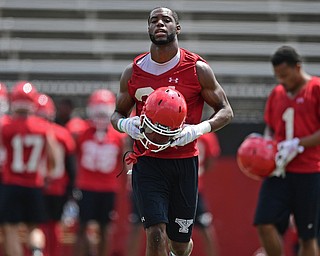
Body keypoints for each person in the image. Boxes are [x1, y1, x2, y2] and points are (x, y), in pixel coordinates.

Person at [111, 7, 233, 256]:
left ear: (177, 28)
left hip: (184, 162)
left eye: (166, 20)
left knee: (179, 242)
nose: (159, 24)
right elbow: (117, 114)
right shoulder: (133, 71)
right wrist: (126, 125)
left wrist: (198, 129)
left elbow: (226, 111)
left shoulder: (197, 69)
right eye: (154, 20)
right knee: (155, 233)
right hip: (148, 161)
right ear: (148, 28)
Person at [253, 45, 320, 256]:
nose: (282, 80)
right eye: (278, 76)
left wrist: (299, 143)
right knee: (264, 222)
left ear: (297, 67)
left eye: (285, 75)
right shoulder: (277, 93)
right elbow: (270, 127)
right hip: (279, 170)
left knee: (307, 236)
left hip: (309, 171)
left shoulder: (316, 88)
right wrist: (265, 144)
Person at [0, 81, 58, 256]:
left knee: (10, 228)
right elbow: (53, 157)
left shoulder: (5, 126)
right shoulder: (43, 127)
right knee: (34, 227)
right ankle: (37, 251)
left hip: (11, 183)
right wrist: (47, 175)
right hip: (34, 184)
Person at [73, 89, 126, 256]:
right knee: (82, 227)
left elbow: (125, 159)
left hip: (108, 188)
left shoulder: (118, 137)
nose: (101, 116)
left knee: (105, 228)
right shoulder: (81, 131)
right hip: (86, 186)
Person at [36, 93, 77, 256]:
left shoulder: (30, 130)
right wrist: (71, 188)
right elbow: (71, 166)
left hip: (35, 184)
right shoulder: (62, 133)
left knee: (37, 226)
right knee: (54, 226)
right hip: (58, 187)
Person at [196, 132, 221, 256]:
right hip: (194, 187)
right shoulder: (206, 134)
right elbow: (210, 161)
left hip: (190, 188)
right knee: (205, 227)